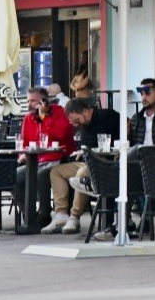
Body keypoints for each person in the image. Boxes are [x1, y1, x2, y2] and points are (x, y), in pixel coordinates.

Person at [44, 98, 121, 234]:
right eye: (73, 123)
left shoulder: (107, 116)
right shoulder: (84, 125)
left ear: (85, 111)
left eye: (77, 121)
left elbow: (127, 123)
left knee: (82, 173)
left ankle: (74, 217)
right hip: (88, 161)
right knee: (56, 171)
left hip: (107, 163)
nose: (75, 125)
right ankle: (61, 215)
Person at [13, 87, 75, 229]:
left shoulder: (60, 112)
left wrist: (44, 117)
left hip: (59, 161)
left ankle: (44, 214)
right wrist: (22, 155)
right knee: (14, 176)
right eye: (28, 101)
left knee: (41, 175)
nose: (29, 104)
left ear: (44, 102)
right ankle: (29, 215)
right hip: (36, 161)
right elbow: (24, 143)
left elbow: (60, 134)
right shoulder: (28, 118)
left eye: (33, 101)